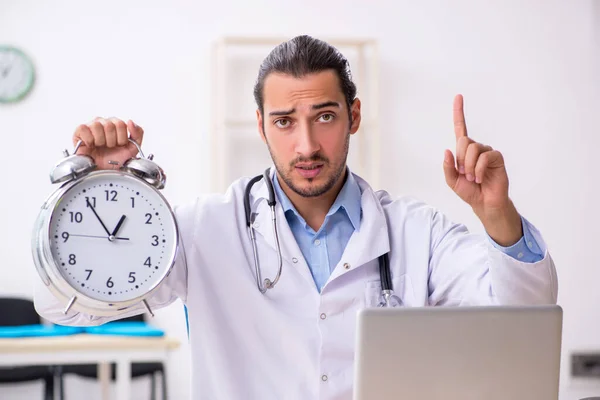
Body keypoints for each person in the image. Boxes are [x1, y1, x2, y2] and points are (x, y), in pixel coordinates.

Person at [34, 35, 557, 399]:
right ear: (261, 125)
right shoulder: (201, 229)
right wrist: (95, 191)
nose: (306, 146)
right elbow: (70, 310)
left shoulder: (417, 232)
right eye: (285, 122)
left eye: (324, 117)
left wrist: (497, 215)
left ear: (353, 116)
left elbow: (523, 311)